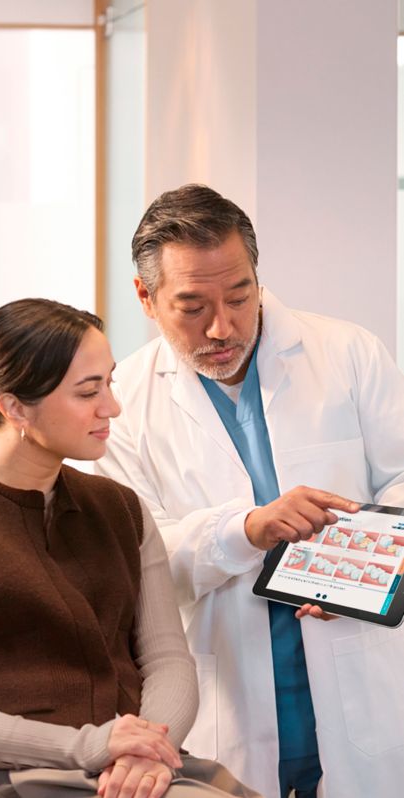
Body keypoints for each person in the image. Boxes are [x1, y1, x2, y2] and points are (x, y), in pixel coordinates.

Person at [95, 184, 404, 798]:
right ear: (145, 298)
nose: (223, 326)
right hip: (226, 695)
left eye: (240, 297)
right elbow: (137, 561)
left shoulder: (347, 353)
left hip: (360, 673)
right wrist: (245, 530)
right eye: (192, 306)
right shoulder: (121, 402)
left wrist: (372, 562)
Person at [0, 298, 263, 798]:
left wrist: (148, 752)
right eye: (87, 392)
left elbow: (167, 659)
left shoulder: (120, 509)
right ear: (13, 408)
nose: (111, 408)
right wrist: (91, 746)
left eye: (110, 382)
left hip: (135, 768)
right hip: (10, 775)